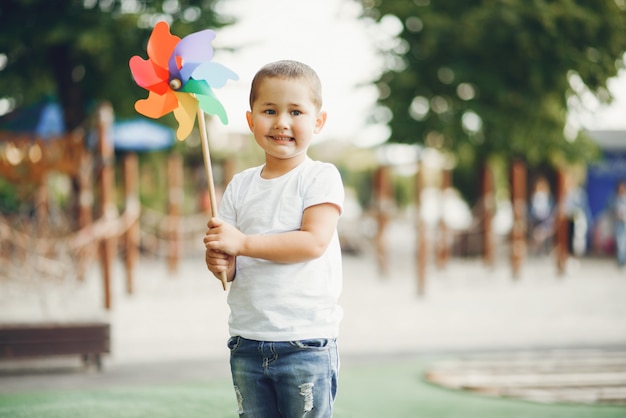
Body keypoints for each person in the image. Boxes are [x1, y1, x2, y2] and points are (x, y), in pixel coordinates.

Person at [203, 60, 344, 418]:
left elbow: (313, 242)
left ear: (318, 121)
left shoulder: (320, 177)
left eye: (295, 111)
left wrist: (242, 244)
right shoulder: (240, 185)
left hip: (305, 340)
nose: (281, 121)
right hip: (248, 338)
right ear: (251, 120)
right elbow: (230, 265)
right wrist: (221, 260)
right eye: (269, 110)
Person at [610, 180, 626, 267]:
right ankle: (620, 260)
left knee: (624, 242)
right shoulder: (615, 199)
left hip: (625, 222)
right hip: (618, 223)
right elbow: (611, 209)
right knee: (620, 241)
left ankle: (622, 259)